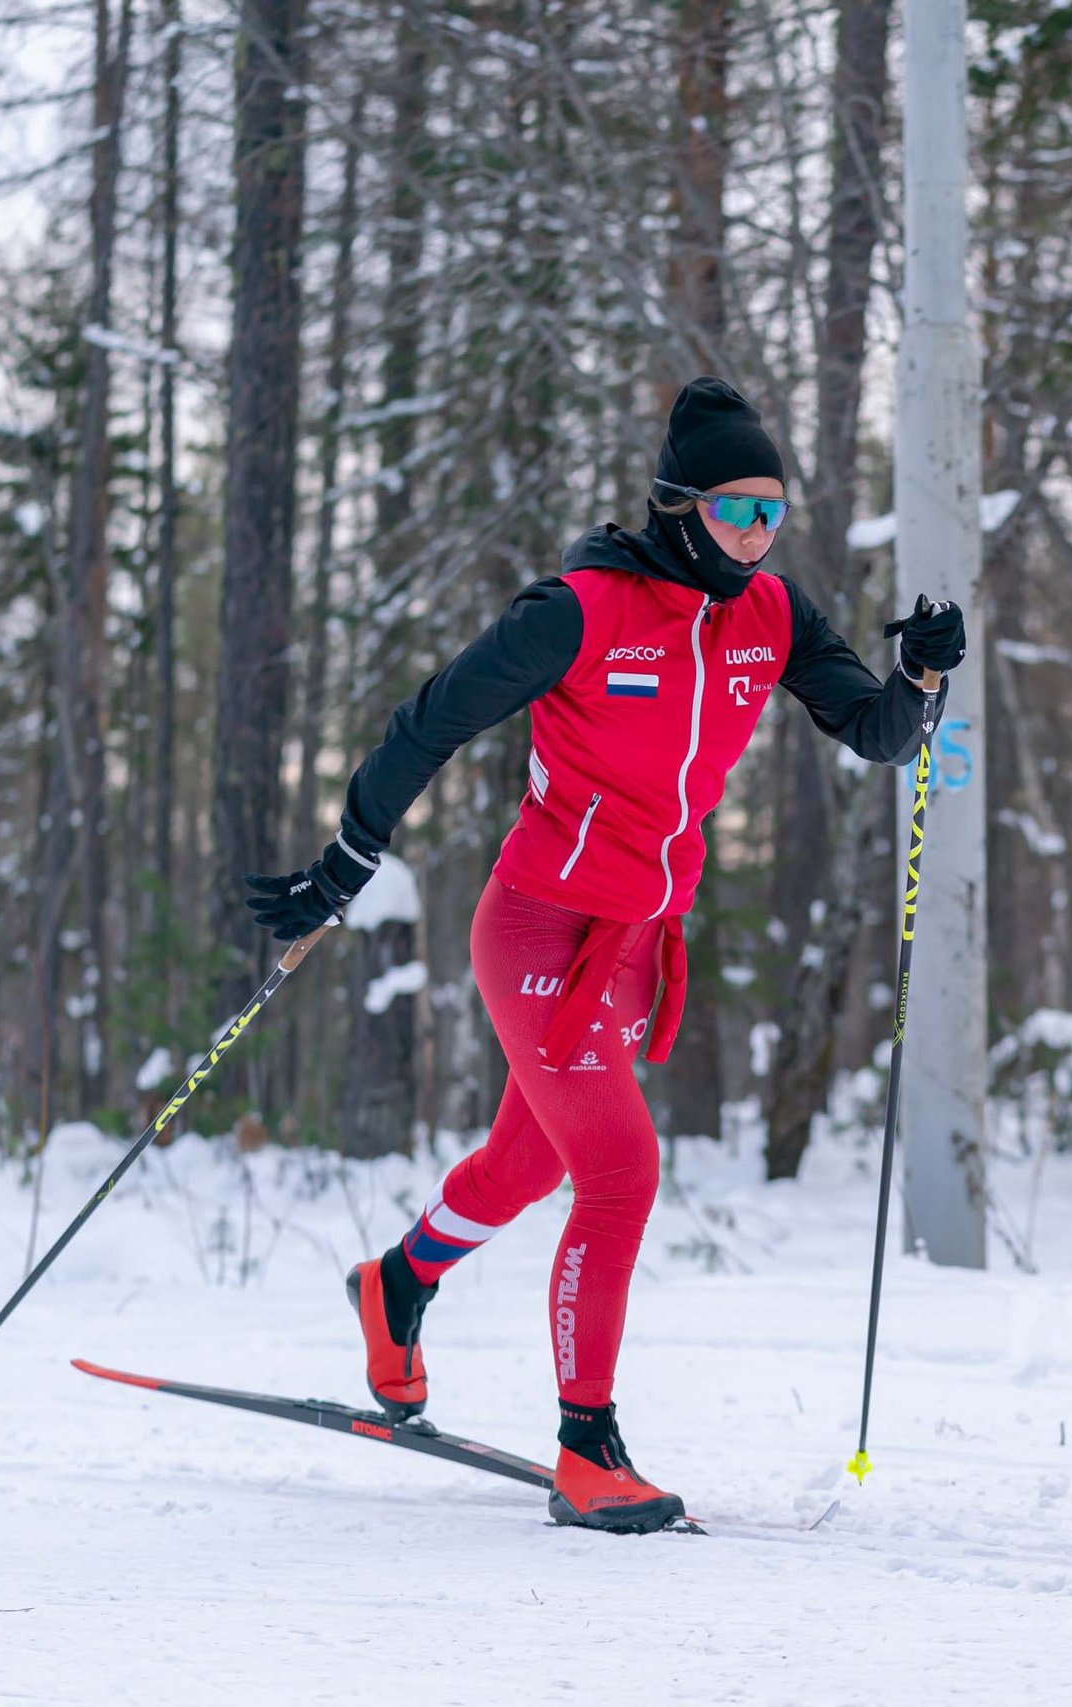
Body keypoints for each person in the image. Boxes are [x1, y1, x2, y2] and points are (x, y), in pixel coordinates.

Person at [242, 377, 964, 1533]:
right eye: (736, 514)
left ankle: (399, 1282)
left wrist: (924, 675)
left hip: (635, 942)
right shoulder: (580, 610)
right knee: (619, 1173)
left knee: (530, 1164)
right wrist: (346, 864)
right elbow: (429, 720)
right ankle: (587, 1446)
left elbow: (880, 736)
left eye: (772, 516)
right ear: (678, 506)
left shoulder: (770, 615)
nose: (756, 538)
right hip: (536, 925)